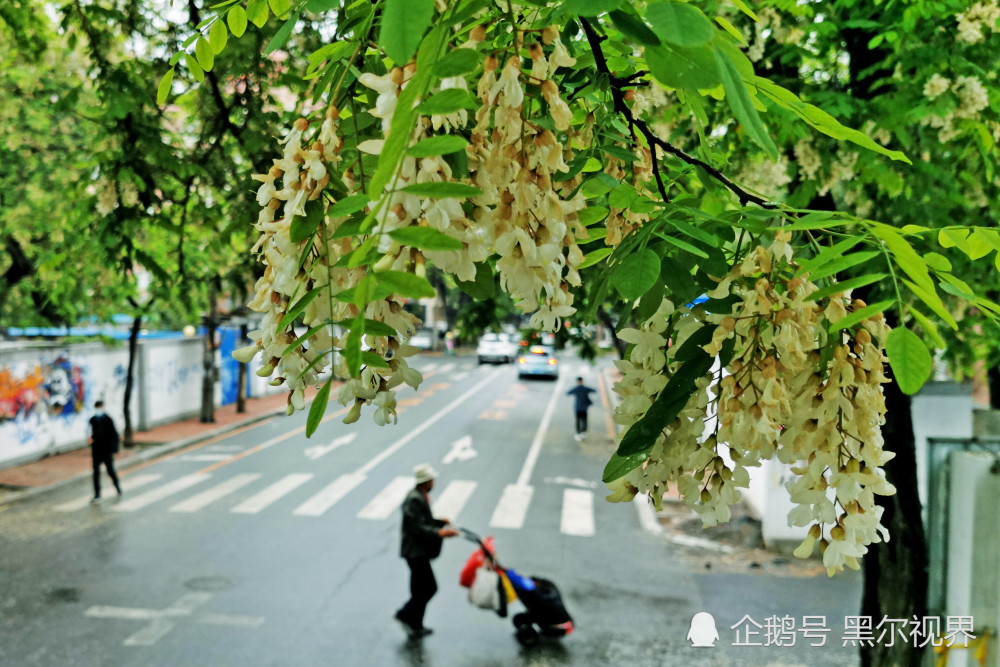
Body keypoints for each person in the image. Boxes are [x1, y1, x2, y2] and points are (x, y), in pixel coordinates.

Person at [394, 464, 458, 638]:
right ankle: (405, 614)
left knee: (419, 590)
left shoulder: (421, 496)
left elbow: (423, 521)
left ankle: (416, 625)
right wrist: (439, 532)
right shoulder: (414, 499)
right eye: (432, 480)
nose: (434, 483)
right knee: (429, 588)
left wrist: (438, 522)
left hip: (418, 552)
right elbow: (416, 527)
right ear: (426, 481)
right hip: (415, 553)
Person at [88, 400, 122, 502]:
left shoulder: (108, 419)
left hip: (106, 450)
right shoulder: (92, 420)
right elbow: (89, 434)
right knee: (96, 473)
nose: (98, 409)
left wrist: (114, 449)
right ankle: (97, 493)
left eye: (100, 407)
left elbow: (114, 435)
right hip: (96, 450)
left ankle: (117, 486)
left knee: (110, 470)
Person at [566, 377, 596, 441]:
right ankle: (583, 432)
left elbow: (568, 393)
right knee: (584, 420)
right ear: (582, 381)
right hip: (584, 407)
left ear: (577, 382)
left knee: (578, 421)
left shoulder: (576, 388)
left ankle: (578, 433)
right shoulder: (585, 388)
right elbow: (594, 390)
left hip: (578, 407)